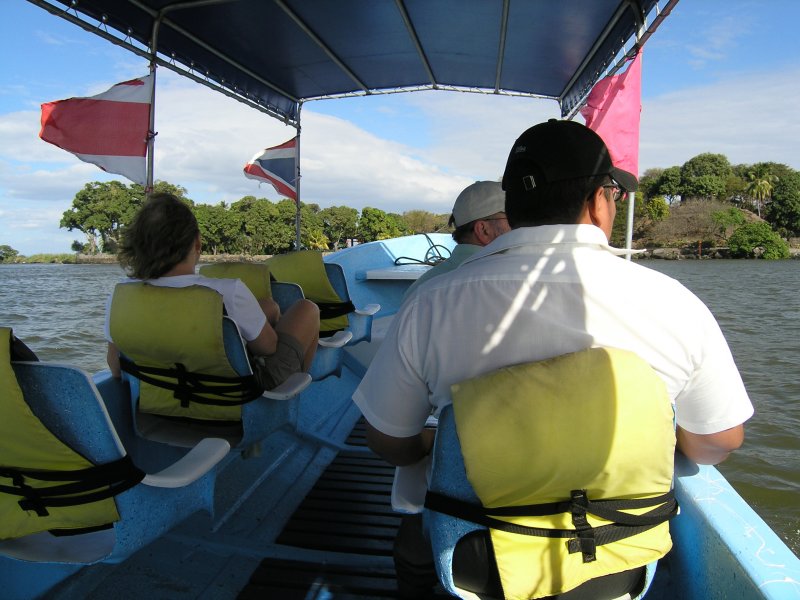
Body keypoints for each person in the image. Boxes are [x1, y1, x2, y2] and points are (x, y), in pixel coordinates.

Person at [352, 120, 754, 598]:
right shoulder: (674, 302)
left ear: (514, 208)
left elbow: (388, 440)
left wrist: (443, 445)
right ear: (598, 201)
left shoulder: (432, 302)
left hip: (480, 564)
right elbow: (718, 441)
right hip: (615, 560)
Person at [104, 192, 319, 391]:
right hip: (236, 402)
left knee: (268, 307)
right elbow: (269, 348)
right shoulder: (227, 292)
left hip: (161, 402)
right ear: (197, 243)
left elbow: (115, 366)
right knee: (307, 309)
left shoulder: (122, 295)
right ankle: (291, 404)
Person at [403, 181, 510, 298]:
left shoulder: (421, 287)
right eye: (511, 218)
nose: (517, 226)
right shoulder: (505, 281)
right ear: (484, 230)